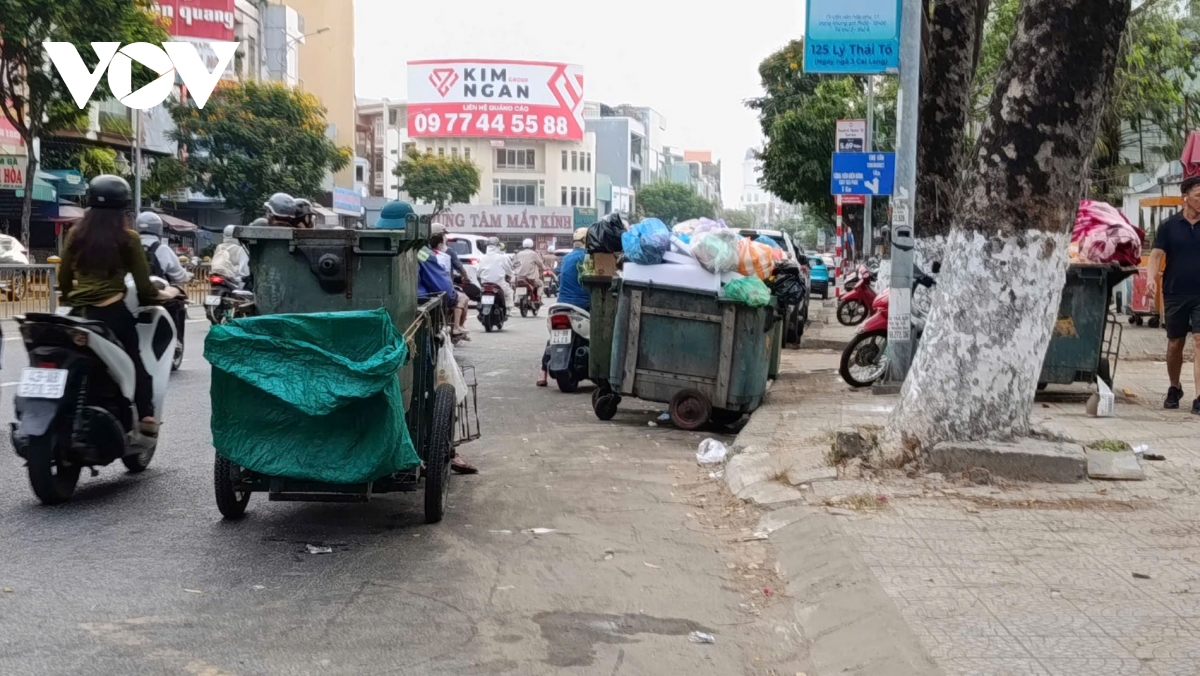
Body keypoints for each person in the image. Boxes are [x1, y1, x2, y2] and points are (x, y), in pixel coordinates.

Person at [58, 175, 161, 434]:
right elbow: (144, 285)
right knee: (137, 364)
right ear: (124, 207)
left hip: (79, 314)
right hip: (113, 312)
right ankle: (146, 416)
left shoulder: (75, 234)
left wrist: (71, 298)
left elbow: (63, 277)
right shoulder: (128, 238)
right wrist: (158, 296)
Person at [380, 201, 478, 473]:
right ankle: (438, 447)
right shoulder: (419, 252)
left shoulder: (375, 247)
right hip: (413, 329)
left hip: (375, 332)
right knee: (427, 389)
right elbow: (445, 290)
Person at [1147, 175, 1200, 413]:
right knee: (1174, 344)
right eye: (1198, 196)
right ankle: (1174, 386)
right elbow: (1156, 255)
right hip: (1175, 292)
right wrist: (1150, 279)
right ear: (1185, 198)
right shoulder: (1169, 226)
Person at [537, 228, 590, 386]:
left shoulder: (566, 258)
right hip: (583, 303)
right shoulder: (588, 258)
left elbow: (558, 273)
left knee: (554, 338)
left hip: (561, 303)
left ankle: (542, 373)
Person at [429, 227, 469, 340]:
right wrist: (465, 278)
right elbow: (446, 276)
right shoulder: (446, 254)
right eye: (443, 234)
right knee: (462, 298)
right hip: (443, 289)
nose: (445, 237)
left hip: (426, 290)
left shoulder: (422, 252)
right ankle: (457, 326)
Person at [136, 212, 191, 286]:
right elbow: (180, 277)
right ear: (159, 228)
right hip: (156, 293)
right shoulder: (163, 249)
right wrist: (187, 275)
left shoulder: (127, 247)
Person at [478, 236, 514, 310]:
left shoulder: (482, 257)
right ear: (498, 246)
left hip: (484, 284)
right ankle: (508, 309)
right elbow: (509, 270)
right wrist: (511, 274)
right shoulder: (503, 257)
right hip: (499, 284)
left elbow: (478, 272)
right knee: (509, 292)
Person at [210, 225, 251, 289]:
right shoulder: (240, 249)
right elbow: (244, 270)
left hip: (216, 275)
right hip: (233, 279)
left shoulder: (219, 247)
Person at [513, 237, 546, 302]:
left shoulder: (518, 254)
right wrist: (544, 268)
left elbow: (514, 265)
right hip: (530, 279)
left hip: (519, 278)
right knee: (541, 284)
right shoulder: (533, 254)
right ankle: (538, 299)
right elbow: (540, 264)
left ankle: (516, 299)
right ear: (532, 245)